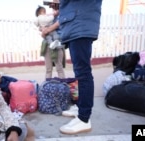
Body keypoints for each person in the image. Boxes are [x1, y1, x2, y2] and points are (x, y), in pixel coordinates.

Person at [42, 0, 103, 134]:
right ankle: (81, 107)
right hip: (76, 24)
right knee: (80, 73)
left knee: (83, 73)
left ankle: (84, 118)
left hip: (80, 24)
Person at [38, 6, 66, 80]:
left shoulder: (63, 15)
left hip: (57, 44)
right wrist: (43, 30)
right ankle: (47, 87)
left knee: (59, 67)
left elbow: (60, 26)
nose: (52, 5)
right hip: (47, 44)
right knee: (48, 69)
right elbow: (43, 33)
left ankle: (63, 86)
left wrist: (48, 29)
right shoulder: (46, 18)